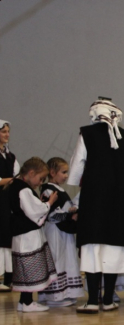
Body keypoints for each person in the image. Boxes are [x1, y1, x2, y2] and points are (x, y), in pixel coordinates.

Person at [68, 99, 124, 314]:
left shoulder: (87, 134)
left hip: (94, 202)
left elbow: (77, 165)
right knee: (113, 251)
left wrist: (74, 186)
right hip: (120, 204)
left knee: (93, 249)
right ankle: (108, 300)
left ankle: (92, 302)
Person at [9, 157, 58, 312]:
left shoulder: (15, 185)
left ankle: (25, 301)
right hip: (27, 235)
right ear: (31, 173)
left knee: (26, 269)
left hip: (21, 235)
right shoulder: (23, 189)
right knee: (30, 269)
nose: (40, 182)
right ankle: (27, 302)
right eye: (40, 178)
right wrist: (49, 202)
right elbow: (35, 211)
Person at [38, 157, 84, 306]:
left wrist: (73, 211)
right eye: (63, 172)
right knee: (57, 260)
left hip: (64, 233)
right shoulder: (48, 190)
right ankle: (54, 296)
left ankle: (66, 292)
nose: (66, 176)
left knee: (66, 261)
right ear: (52, 172)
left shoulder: (59, 190)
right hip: (54, 233)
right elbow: (50, 215)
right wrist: (70, 215)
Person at [0, 119, 19, 292]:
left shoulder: (10, 155)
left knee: (7, 238)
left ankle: (8, 278)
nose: (6, 135)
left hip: (6, 201)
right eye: (3, 131)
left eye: (7, 131)